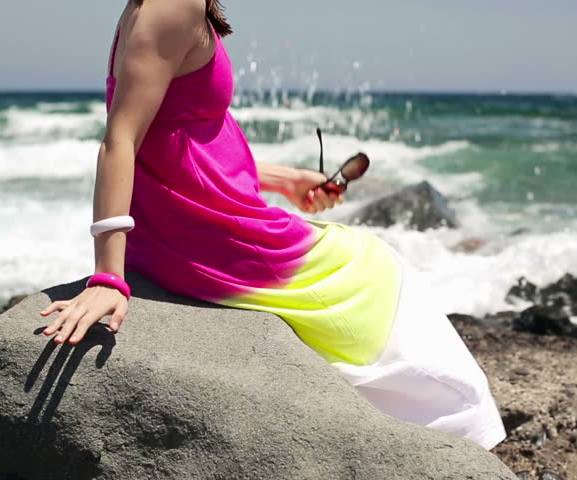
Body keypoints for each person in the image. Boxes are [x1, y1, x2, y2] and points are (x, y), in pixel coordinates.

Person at [40, 0, 506, 450]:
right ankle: (447, 444)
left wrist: (285, 180)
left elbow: (185, 137)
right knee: (378, 269)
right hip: (198, 235)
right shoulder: (173, 2)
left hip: (194, 218)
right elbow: (120, 139)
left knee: (375, 265)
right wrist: (108, 277)